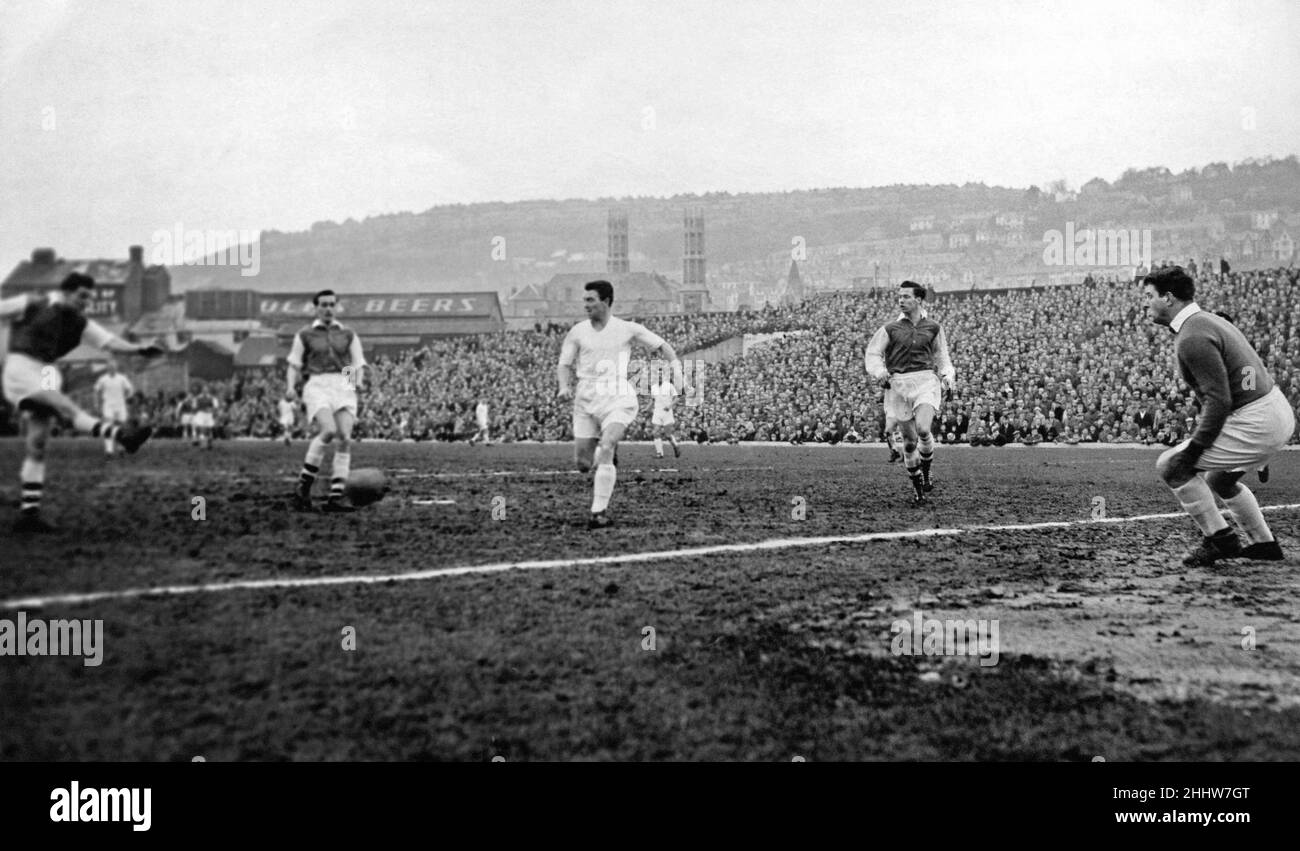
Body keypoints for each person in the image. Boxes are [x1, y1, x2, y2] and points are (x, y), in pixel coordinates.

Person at [1143, 266, 1294, 566]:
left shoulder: (1192, 336)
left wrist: (1196, 448)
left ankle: (1219, 539)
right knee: (1220, 480)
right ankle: (1264, 544)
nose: (1145, 303)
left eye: (1149, 296)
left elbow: (1219, 399)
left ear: (1169, 298)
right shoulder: (1207, 321)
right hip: (1273, 411)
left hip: (1257, 418)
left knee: (1172, 466)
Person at [0, 273, 159, 533]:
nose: (86, 302)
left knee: (38, 442)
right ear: (65, 292)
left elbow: (110, 342)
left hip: (47, 370)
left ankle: (29, 515)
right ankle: (121, 434)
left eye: (89, 297)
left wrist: (139, 349)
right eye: (82, 296)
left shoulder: (80, 322)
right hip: (20, 365)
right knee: (64, 406)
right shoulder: (32, 303)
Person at [556, 280, 684, 529]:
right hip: (586, 397)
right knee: (583, 464)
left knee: (607, 445)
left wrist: (677, 372)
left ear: (606, 301)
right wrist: (564, 386)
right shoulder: (578, 331)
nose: (586, 305)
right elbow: (564, 364)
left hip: (617, 395)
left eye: (591, 300)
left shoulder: (627, 329)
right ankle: (607, 454)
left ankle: (598, 512)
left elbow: (663, 346)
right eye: (585, 300)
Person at [864, 281, 956, 505]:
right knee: (909, 443)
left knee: (924, 429)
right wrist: (880, 372)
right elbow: (873, 353)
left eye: (906, 296)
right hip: (898, 386)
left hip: (925, 381)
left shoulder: (933, 327)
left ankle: (926, 474)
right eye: (900, 296)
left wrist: (947, 377)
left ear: (919, 300)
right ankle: (918, 492)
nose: (901, 300)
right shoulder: (890, 329)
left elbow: (942, 357)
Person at [288, 289, 366, 513]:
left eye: (332, 304)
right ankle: (303, 487)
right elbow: (294, 364)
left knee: (344, 438)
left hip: (343, 385)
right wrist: (290, 387)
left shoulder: (348, 333)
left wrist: (355, 383)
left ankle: (336, 496)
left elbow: (355, 363)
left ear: (336, 306)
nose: (328, 308)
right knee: (328, 430)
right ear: (316, 308)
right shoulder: (305, 334)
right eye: (323, 304)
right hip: (318, 384)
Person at [93, 360, 134, 457]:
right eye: (110, 367)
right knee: (108, 427)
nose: (112, 368)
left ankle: (120, 448)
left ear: (116, 368)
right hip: (108, 406)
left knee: (120, 428)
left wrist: (126, 397)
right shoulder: (103, 379)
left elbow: (130, 389)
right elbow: (96, 391)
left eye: (113, 367)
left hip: (120, 406)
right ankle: (109, 451)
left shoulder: (122, 378)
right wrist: (96, 404)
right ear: (107, 368)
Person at [649, 372, 681, 459]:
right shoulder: (653, 387)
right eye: (657, 375)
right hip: (657, 412)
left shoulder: (669, 386)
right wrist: (646, 408)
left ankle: (675, 446)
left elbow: (677, 398)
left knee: (668, 435)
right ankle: (659, 453)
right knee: (655, 432)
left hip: (667, 413)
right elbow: (652, 400)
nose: (659, 376)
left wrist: (669, 406)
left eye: (660, 375)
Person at [191, 384, 219, 450]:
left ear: (208, 391)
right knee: (202, 429)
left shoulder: (212, 398)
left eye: (206, 390)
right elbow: (194, 407)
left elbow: (216, 407)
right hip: (201, 414)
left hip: (209, 415)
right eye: (204, 390)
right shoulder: (198, 398)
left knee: (209, 430)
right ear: (202, 390)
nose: (205, 391)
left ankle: (209, 444)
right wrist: (196, 411)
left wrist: (212, 411)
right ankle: (202, 445)